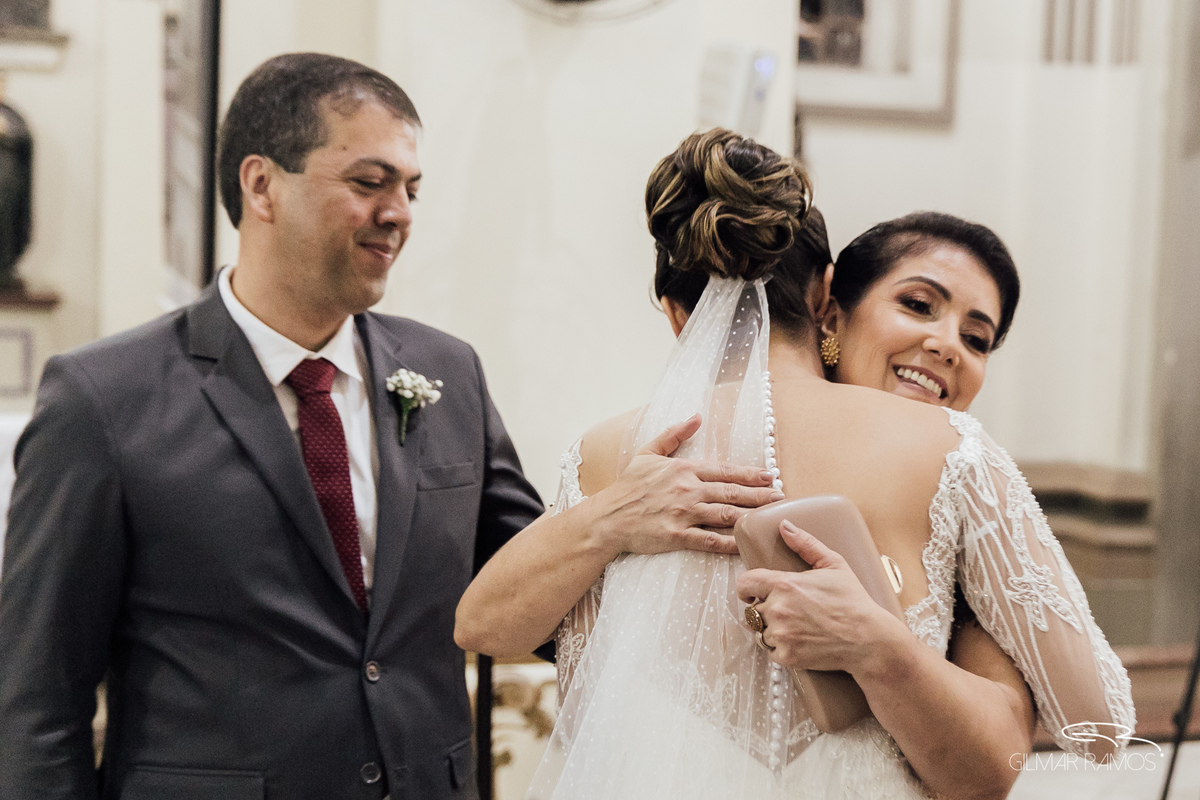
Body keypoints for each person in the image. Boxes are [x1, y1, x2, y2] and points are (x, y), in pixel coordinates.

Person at [0, 58, 779, 800]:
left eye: (410, 186)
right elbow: (37, 696)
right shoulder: (105, 398)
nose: (400, 213)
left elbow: (533, 594)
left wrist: (645, 544)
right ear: (261, 184)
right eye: (370, 182)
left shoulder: (448, 372)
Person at [457, 129, 1134, 799]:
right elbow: (1102, 726)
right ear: (824, 297)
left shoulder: (608, 456)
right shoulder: (948, 447)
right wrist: (973, 625)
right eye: (918, 305)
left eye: (976, 336)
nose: (944, 345)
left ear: (674, 315)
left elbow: (508, 648)